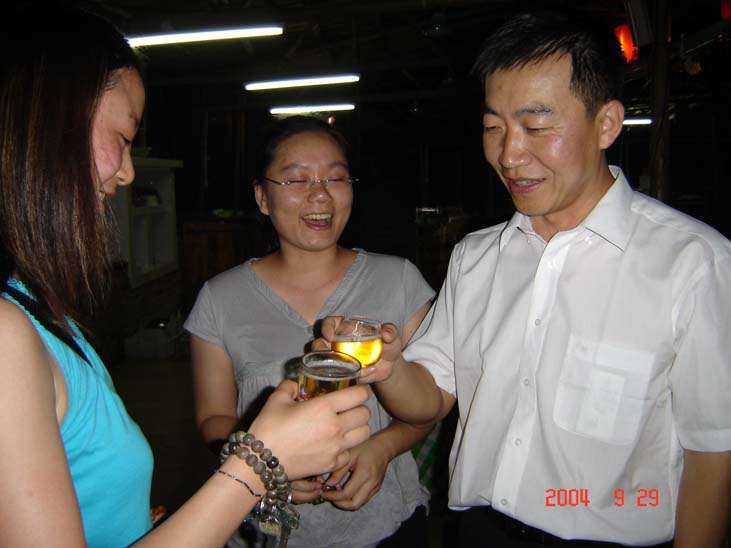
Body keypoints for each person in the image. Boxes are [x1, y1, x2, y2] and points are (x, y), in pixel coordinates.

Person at [318, 10, 731, 548]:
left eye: (536, 127)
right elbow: (433, 395)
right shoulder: (476, 257)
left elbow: (713, 450)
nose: (509, 155)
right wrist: (388, 367)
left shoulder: (693, 263)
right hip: (479, 533)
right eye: (494, 128)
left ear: (607, 124)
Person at [0, 6, 371, 548]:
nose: (128, 171)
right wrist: (260, 463)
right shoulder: (6, 335)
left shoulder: (39, 312)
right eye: (123, 137)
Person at [184, 115, 436, 547]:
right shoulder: (219, 298)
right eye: (297, 180)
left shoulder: (399, 281)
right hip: (264, 533)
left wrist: (383, 449)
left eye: (336, 178)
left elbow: (431, 402)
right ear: (262, 197)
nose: (320, 194)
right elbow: (214, 417)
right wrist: (266, 464)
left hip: (385, 526)